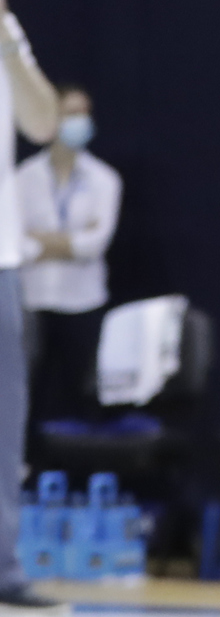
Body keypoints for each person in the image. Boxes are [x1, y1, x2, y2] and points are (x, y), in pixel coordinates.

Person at [0, 0, 62, 609]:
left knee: (3, 426)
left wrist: (8, 40)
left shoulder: (6, 36)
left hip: (1, 262)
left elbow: (43, 124)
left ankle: (2, 567)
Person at [16, 85, 123, 428]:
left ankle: (83, 473)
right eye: (70, 113)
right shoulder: (21, 179)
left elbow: (92, 245)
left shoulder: (105, 179)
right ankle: (27, 470)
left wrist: (41, 240)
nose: (79, 121)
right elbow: (17, 245)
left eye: (84, 113)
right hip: (33, 303)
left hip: (84, 302)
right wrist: (66, 241)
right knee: (28, 395)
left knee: (83, 395)